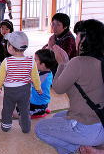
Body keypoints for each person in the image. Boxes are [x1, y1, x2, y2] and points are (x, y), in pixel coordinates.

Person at [35, 19, 104, 154]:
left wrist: (61, 64)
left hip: (86, 129)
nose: (76, 38)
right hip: (101, 123)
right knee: (57, 117)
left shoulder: (78, 62)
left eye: (78, 35)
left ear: (85, 39)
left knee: (40, 128)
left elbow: (58, 88)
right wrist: (66, 62)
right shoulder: (100, 60)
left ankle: (78, 150)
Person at [0, 31, 42, 133]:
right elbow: (35, 76)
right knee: (24, 110)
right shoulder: (31, 61)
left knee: (7, 109)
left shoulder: (6, 61)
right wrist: (38, 88)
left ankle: (6, 126)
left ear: (11, 48)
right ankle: (26, 128)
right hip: (24, 90)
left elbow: (1, 76)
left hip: (10, 91)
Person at [30, 49, 56, 118]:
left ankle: (40, 112)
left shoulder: (43, 77)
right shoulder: (46, 72)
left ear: (43, 65)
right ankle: (43, 109)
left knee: (15, 113)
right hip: (37, 101)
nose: (33, 61)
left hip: (37, 104)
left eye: (35, 60)